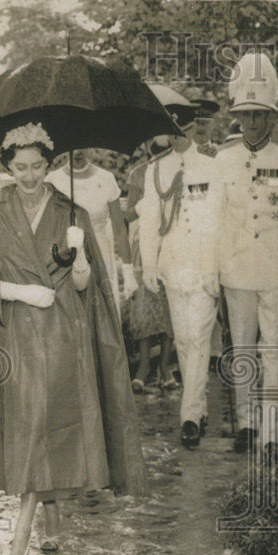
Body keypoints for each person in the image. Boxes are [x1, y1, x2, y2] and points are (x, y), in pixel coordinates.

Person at [0, 123, 147, 555]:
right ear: (8, 167)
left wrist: (81, 262)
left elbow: (86, 287)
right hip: (17, 332)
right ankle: (50, 517)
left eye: (37, 166)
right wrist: (20, 291)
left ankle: (23, 535)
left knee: (48, 423)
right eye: (20, 168)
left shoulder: (70, 211)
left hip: (62, 333)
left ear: (49, 164)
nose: (30, 176)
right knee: (34, 423)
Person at [215, 52, 278, 457]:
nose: (253, 122)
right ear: (238, 117)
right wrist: (212, 271)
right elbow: (215, 221)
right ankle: (245, 424)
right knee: (240, 349)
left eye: (260, 115)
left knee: (275, 349)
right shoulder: (223, 160)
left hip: (275, 268)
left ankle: (271, 431)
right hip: (235, 268)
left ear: (272, 118)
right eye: (246, 115)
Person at [136, 98, 222, 449]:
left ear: (191, 128)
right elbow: (149, 222)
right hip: (174, 265)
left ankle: (188, 417)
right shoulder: (156, 169)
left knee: (198, 339)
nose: (174, 139)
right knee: (184, 339)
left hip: (204, 265)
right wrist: (149, 265)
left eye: (180, 131)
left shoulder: (212, 166)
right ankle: (197, 407)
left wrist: (218, 266)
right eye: (168, 132)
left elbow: (219, 221)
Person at [46, 149, 134, 316]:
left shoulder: (106, 178)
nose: (78, 152)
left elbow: (119, 228)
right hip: (66, 254)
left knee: (103, 311)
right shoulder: (52, 180)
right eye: (74, 147)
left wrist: (128, 268)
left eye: (83, 146)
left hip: (100, 253)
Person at [124, 137, 175, 391]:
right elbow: (129, 212)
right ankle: (144, 367)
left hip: (172, 245)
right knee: (144, 308)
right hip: (144, 246)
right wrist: (148, 203)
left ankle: (165, 367)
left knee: (168, 308)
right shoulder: (138, 173)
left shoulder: (180, 170)